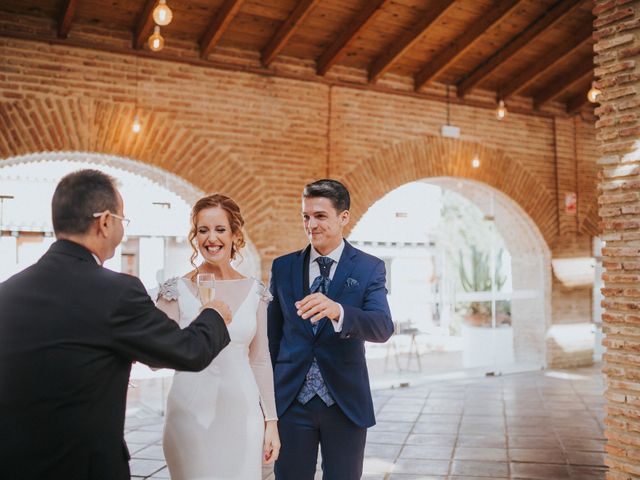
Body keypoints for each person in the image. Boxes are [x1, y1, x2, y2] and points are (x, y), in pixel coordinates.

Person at [0, 169, 232, 480]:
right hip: (85, 467)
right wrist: (214, 313)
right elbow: (188, 351)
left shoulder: (8, 291)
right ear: (105, 221)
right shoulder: (117, 292)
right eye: (123, 220)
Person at [268, 179, 394, 479]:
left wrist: (339, 311)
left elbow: (382, 327)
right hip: (290, 403)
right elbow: (272, 338)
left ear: (344, 217)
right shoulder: (282, 267)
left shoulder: (369, 268)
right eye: (306, 216)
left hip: (345, 403)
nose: (311, 224)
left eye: (320, 216)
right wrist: (268, 406)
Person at [159, 193, 280, 480]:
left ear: (235, 235)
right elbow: (158, 350)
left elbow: (260, 360)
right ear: (195, 236)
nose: (211, 238)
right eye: (203, 230)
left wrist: (271, 421)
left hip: (243, 414)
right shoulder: (175, 290)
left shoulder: (255, 291)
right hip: (189, 416)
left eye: (220, 229)